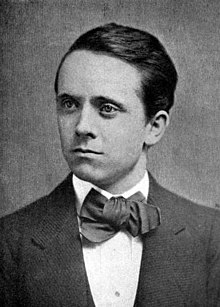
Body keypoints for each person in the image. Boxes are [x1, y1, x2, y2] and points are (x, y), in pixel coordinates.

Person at [0, 23, 220, 307]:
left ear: (153, 127)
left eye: (107, 108)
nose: (82, 126)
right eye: (69, 104)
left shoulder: (212, 236)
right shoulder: (9, 241)